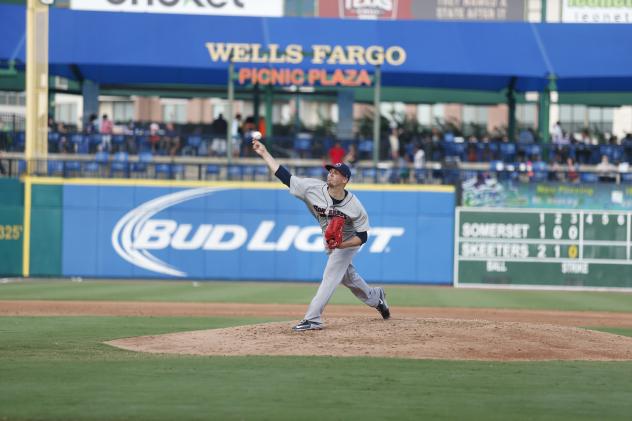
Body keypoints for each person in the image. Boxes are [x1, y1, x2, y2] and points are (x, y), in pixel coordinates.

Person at [252, 137, 390, 331]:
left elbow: (363, 237)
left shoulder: (355, 206)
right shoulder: (312, 188)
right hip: (331, 239)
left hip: (348, 240)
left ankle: (313, 318)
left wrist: (342, 245)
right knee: (347, 277)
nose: (331, 175)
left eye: (336, 173)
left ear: (345, 180)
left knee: (331, 274)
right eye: (330, 171)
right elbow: (284, 176)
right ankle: (376, 298)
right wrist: (264, 153)